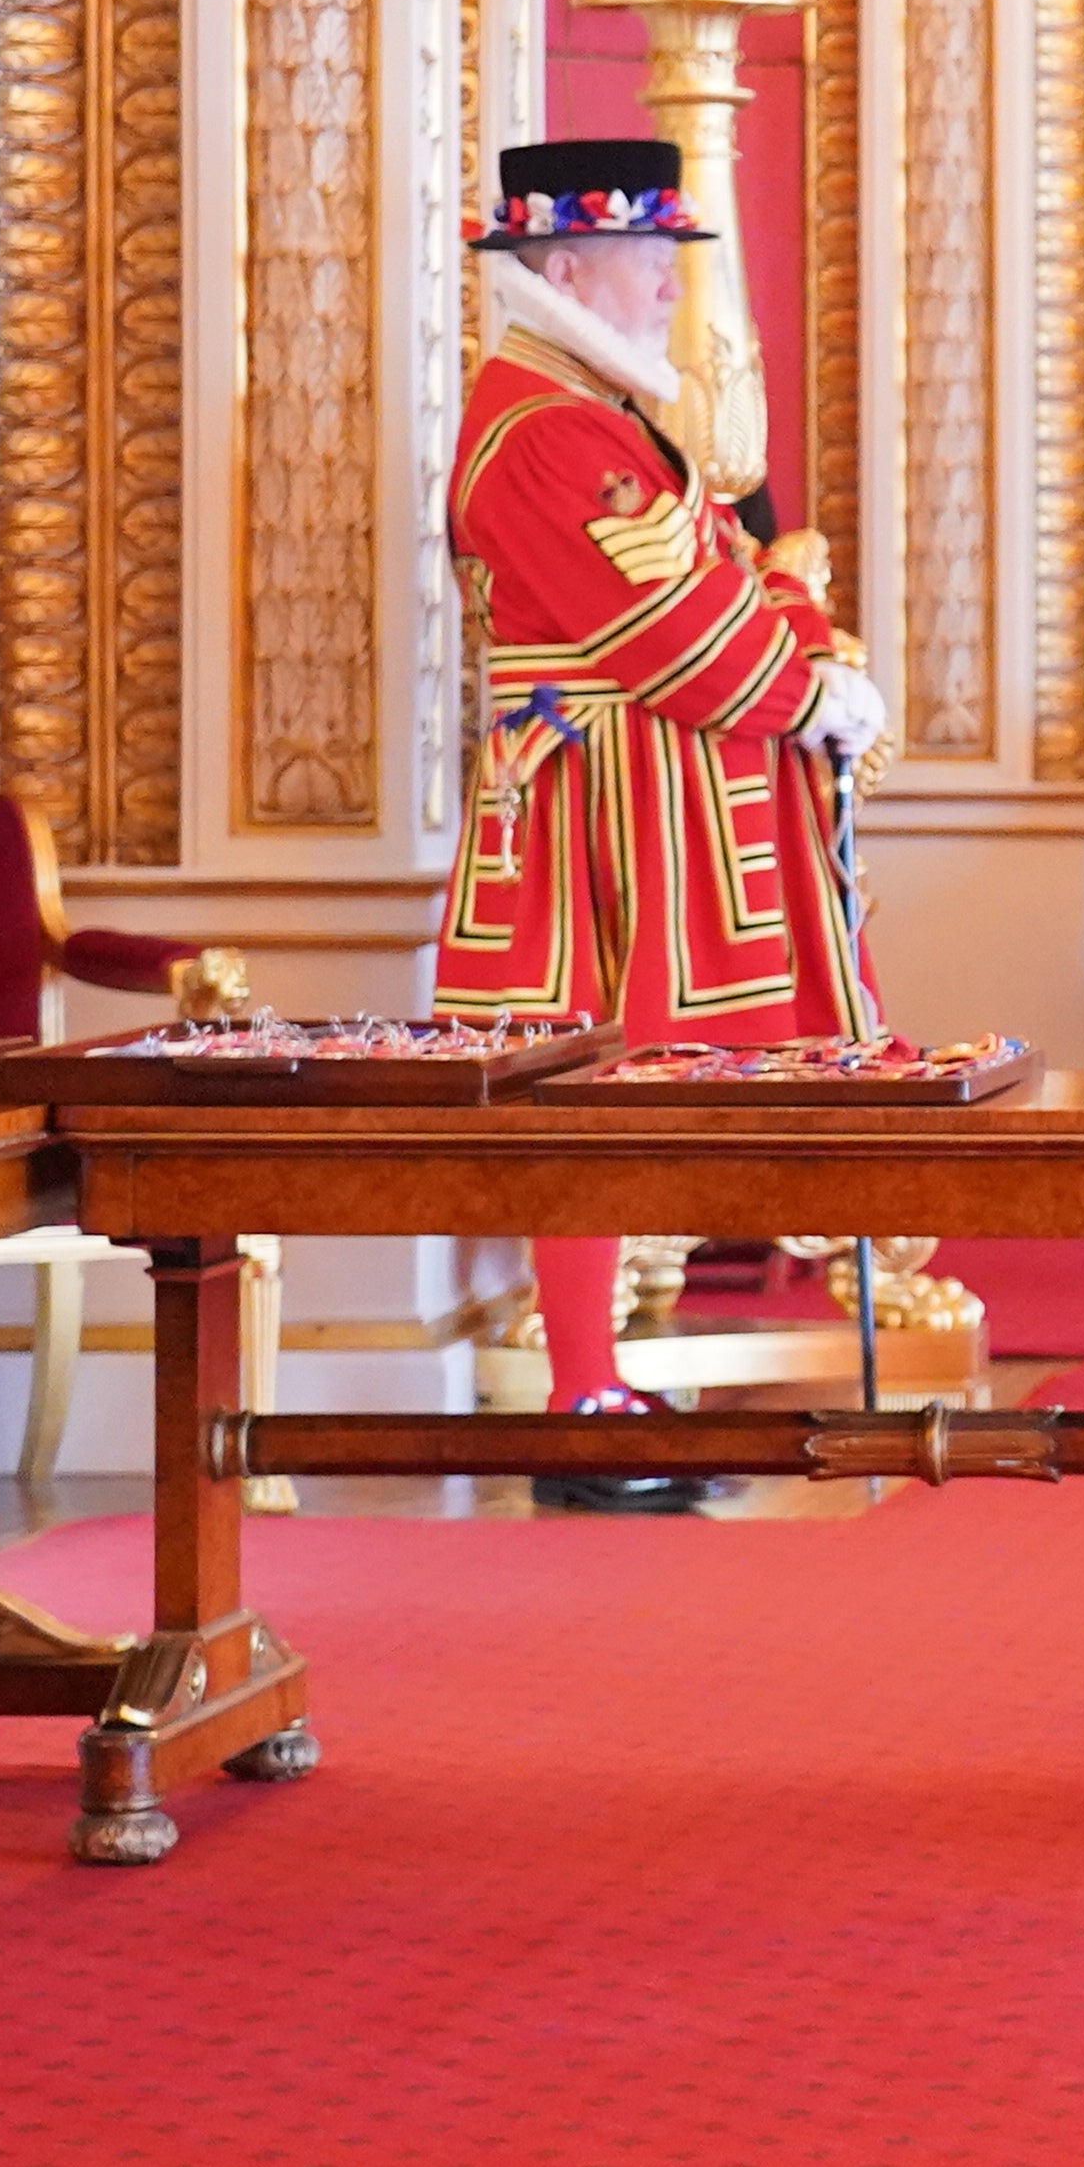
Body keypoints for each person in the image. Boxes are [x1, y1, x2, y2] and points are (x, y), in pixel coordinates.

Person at [433, 137, 890, 1509]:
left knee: (622, 1101)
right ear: (566, 267)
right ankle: (585, 1392)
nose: (664, 291)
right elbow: (669, 627)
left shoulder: (592, 403)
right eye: (648, 264)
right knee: (586, 1101)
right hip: (602, 814)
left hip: (653, 803)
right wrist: (805, 676)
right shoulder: (541, 423)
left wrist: (791, 619)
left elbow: (721, 578)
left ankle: (604, 1378)